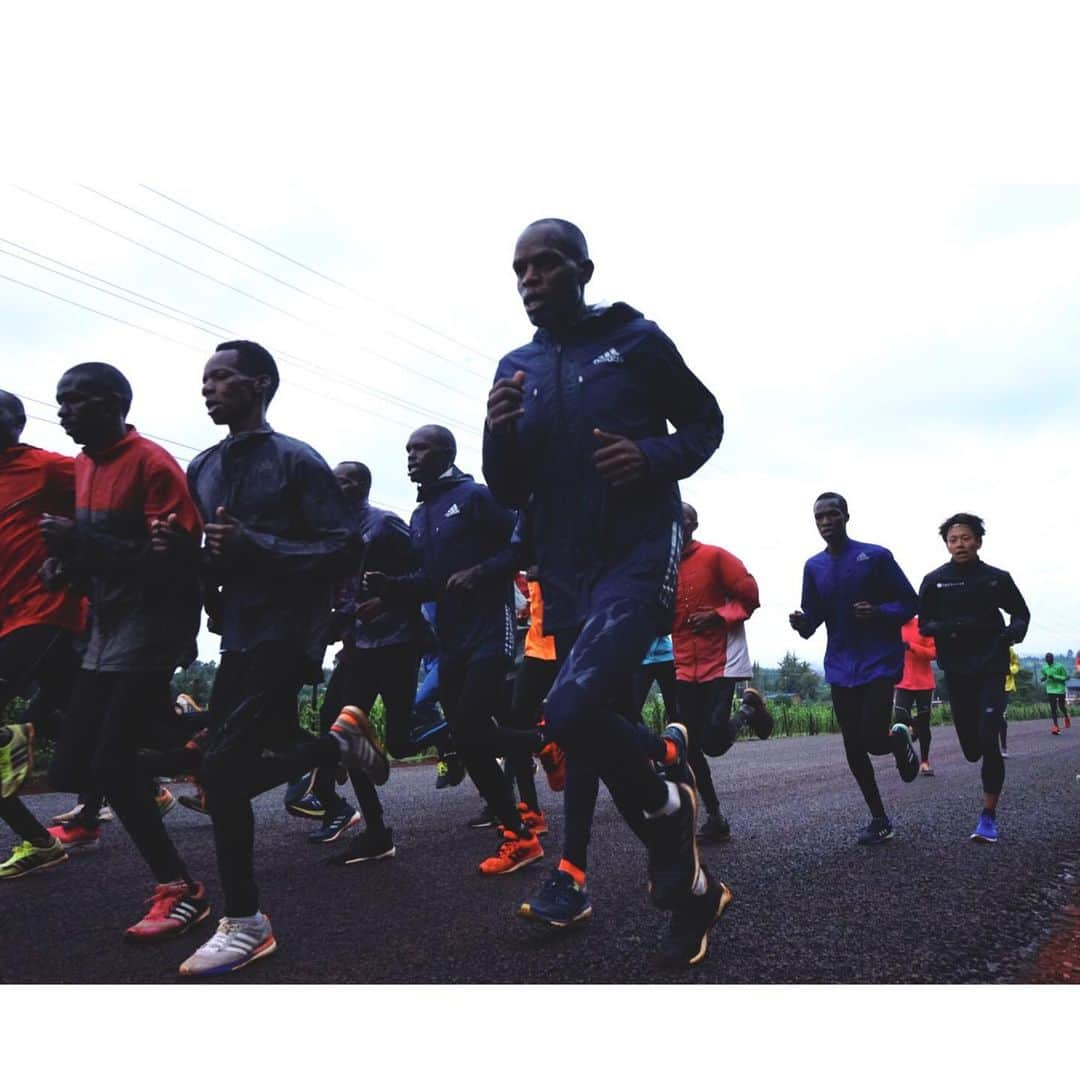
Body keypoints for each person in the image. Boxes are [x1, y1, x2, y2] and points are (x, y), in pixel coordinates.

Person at [485, 218, 729, 967]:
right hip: (565, 569)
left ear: (583, 269)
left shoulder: (635, 340)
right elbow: (507, 486)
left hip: (635, 553)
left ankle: (667, 799)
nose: (531, 279)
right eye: (520, 268)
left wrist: (653, 455)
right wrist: (496, 433)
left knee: (572, 710)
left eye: (547, 264)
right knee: (595, 722)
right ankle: (687, 882)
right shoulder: (516, 365)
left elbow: (704, 421)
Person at [176, 340, 388, 977]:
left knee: (221, 766)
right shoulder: (202, 466)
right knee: (261, 742)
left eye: (222, 377)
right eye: (204, 379)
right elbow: (206, 553)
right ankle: (339, 745)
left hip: (292, 629)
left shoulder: (296, 460)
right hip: (237, 631)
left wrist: (255, 544)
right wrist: (199, 566)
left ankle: (245, 921)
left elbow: (344, 549)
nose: (208, 387)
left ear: (260, 384)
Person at [37, 363, 210, 938]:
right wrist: (66, 565)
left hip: (152, 629)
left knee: (110, 763)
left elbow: (170, 566)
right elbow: (107, 556)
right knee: (74, 763)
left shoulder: (154, 465)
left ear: (114, 403)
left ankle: (180, 889)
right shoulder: (85, 464)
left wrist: (80, 542)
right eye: (60, 402)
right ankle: (199, 740)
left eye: (77, 401)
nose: (64, 411)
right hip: (104, 633)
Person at [365, 424, 543, 875]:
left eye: (420, 448)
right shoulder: (420, 516)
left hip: (491, 626)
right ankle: (518, 835)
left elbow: (523, 547)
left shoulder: (477, 497)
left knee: (468, 724)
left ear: (445, 452)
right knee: (467, 737)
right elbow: (429, 581)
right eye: (407, 449)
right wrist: (390, 590)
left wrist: (481, 573)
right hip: (451, 638)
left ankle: (546, 742)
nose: (410, 456)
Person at [313, 459, 436, 865]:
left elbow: (425, 573)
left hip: (398, 641)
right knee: (338, 731)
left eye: (344, 480)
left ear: (362, 486)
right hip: (358, 646)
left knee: (400, 741)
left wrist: (386, 600)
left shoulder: (384, 525)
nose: (335, 486)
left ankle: (461, 733)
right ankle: (376, 832)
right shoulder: (332, 534)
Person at [790, 492, 921, 845]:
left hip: (879, 658)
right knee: (853, 744)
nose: (825, 522)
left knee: (873, 739)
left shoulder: (876, 556)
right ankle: (879, 819)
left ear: (846, 516)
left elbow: (910, 602)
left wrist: (879, 611)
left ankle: (897, 736)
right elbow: (813, 616)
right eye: (819, 517)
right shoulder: (813, 566)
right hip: (840, 663)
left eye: (832, 514)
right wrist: (802, 624)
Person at [0, 390, 82, 879]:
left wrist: (72, 551)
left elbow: (110, 499)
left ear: (18, 423)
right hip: (9, 618)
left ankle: (37, 840)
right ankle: (172, 755)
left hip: (44, 611)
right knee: (66, 721)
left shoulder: (48, 467)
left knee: (31, 725)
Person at [918, 513, 1030, 842]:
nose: (960, 544)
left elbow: (1020, 613)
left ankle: (988, 817)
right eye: (954, 540)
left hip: (991, 664)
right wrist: (949, 628)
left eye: (966, 538)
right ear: (947, 544)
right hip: (956, 669)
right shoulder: (935, 580)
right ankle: (980, 751)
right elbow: (924, 622)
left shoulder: (997, 578)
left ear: (978, 541)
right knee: (971, 748)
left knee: (988, 736)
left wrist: (1013, 633)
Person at [672, 501, 770, 844]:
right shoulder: (661, 566)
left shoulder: (715, 557)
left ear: (694, 524)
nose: (676, 524)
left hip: (722, 658)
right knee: (690, 744)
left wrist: (716, 615)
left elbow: (751, 596)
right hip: (684, 663)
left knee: (713, 739)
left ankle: (747, 710)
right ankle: (715, 816)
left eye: (683, 519)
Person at [894, 617, 936, 776]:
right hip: (902, 681)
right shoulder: (894, 625)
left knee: (924, 723)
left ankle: (924, 762)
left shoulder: (924, 625)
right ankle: (905, 757)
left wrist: (911, 646)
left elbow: (934, 653)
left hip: (924, 683)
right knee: (899, 718)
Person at [1040, 652, 1072, 734]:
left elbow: (1066, 677)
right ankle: (1056, 727)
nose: (1048, 660)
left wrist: (1054, 677)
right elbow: (1045, 676)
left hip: (1060, 689)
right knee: (1053, 708)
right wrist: (1043, 678)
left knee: (1061, 707)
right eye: (1046, 659)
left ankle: (1066, 716)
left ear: (1053, 659)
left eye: (1049, 659)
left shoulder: (1060, 666)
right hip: (1050, 690)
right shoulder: (1044, 668)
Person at [1000, 646, 1020, 757]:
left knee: (1000, 716)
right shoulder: (984, 645)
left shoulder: (1008, 649)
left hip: (1006, 686)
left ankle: (1003, 747)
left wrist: (1009, 670)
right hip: (989, 686)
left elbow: (1016, 664)